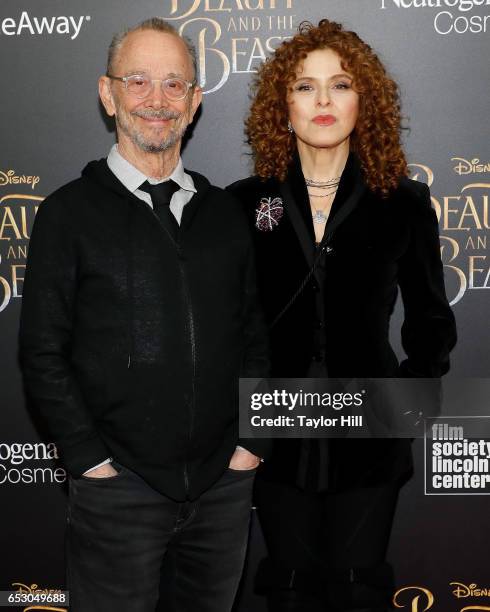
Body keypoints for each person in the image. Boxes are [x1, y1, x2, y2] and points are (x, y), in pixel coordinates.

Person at [19, 18, 268, 612]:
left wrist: (250, 445)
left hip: (223, 489)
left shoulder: (225, 214)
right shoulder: (66, 214)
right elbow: (42, 353)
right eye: (138, 82)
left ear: (195, 101)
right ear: (108, 94)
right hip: (117, 493)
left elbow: (256, 333)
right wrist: (90, 462)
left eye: (174, 85)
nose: (157, 101)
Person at [228, 19, 457, 612]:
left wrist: (407, 400)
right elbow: (223, 320)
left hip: (371, 439)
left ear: (366, 102)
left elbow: (431, 318)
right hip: (274, 436)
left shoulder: (402, 202)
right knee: (291, 590)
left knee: (359, 591)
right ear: (283, 105)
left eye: (341, 84)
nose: (324, 101)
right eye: (305, 87)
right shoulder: (243, 204)